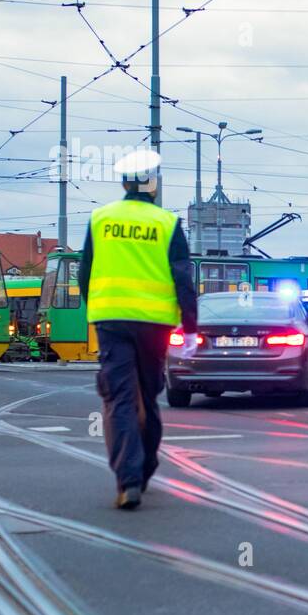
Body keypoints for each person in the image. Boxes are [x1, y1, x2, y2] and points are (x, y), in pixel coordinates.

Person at [79, 150, 197, 510]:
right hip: (155, 323)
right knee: (148, 397)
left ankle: (128, 480)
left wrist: (98, 307)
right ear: (152, 184)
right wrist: (190, 327)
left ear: (124, 183)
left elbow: (85, 273)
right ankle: (145, 468)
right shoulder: (166, 223)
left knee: (119, 400)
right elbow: (182, 277)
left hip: (112, 321)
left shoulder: (100, 219)